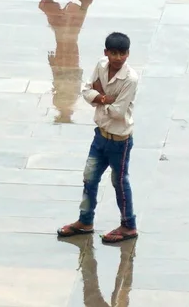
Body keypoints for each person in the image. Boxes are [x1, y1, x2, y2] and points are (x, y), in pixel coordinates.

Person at [58, 32, 139, 244]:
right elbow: (86, 91)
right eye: (114, 53)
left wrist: (99, 97)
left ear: (128, 54)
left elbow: (118, 112)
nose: (118, 57)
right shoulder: (101, 66)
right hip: (100, 136)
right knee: (89, 177)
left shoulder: (130, 79)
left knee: (119, 182)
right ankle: (85, 221)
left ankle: (129, 225)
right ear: (106, 52)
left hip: (120, 140)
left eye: (122, 53)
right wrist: (104, 97)